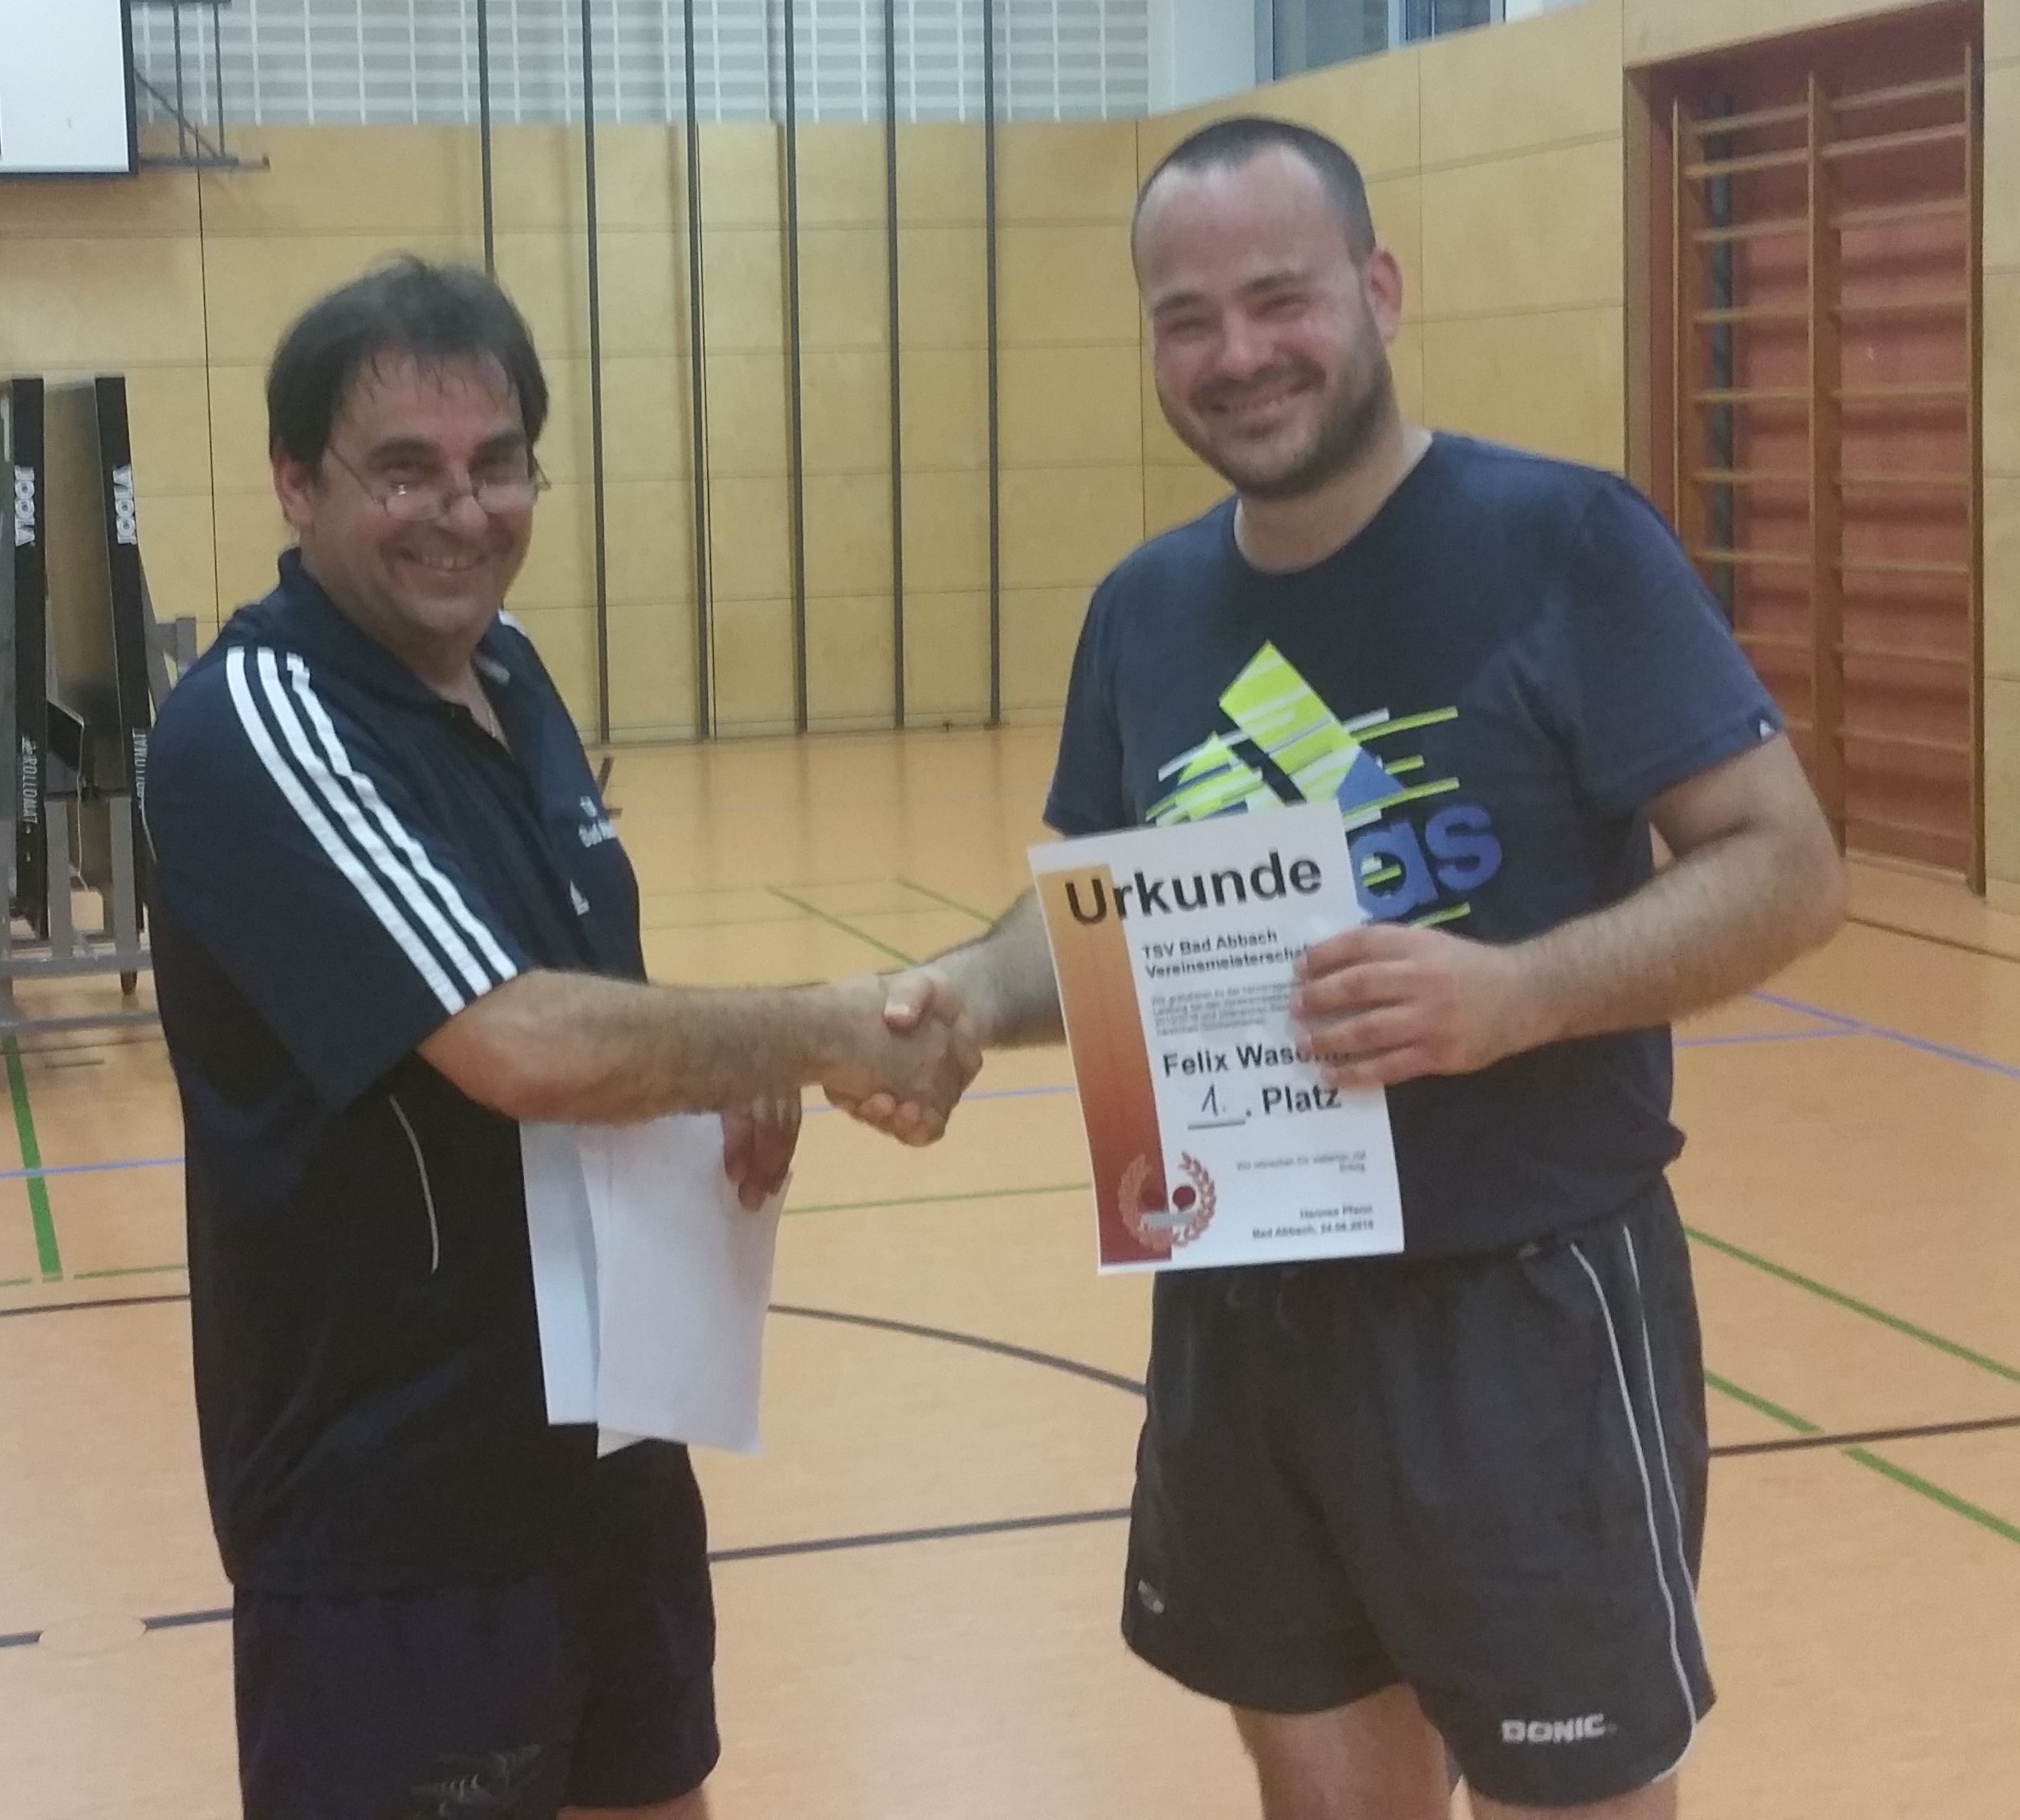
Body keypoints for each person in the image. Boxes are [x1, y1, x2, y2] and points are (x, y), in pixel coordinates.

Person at [892, 117, 1848, 1819]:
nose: (1238, 353)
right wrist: (966, 995)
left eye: (1281, 298)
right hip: (1243, 1308)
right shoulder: (1144, 609)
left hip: (1519, 1309)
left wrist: (1515, 998)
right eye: (1187, 318)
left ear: (1379, 290)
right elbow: (1094, 911)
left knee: (1574, 1798)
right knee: (1322, 1794)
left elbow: (1787, 868)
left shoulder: (1564, 543)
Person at [142, 257, 977, 1820]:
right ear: (295, 483)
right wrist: (817, 1034)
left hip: (611, 1451)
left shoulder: (510, 677)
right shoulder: (256, 725)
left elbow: (584, 993)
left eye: (498, 463)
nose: (462, 512)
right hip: (399, 1517)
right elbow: (514, 1044)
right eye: (404, 470)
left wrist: (715, 1086)